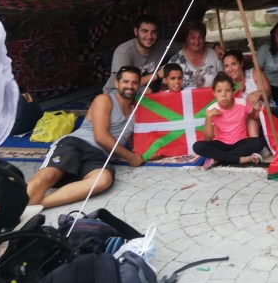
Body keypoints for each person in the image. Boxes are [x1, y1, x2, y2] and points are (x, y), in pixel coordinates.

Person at [27, 66, 145, 209]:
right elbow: (101, 137)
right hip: (76, 144)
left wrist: (149, 153)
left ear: (138, 86)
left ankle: (35, 206)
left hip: (99, 157)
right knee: (48, 175)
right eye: (126, 82)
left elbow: (137, 141)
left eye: (134, 83)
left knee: (103, 180)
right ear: (117, 84)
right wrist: (130, 157)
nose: (130, 86)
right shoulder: (105, 99)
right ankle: (14, 208)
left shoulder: (136, 110)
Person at [192, 72, 265, 169]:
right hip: (221, 144)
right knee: (197, 146)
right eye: (219, 91)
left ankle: (219, 158)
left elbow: (256, 115)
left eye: (228, 90)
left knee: (259, 142)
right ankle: (241, 159)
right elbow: (208, 138)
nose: (223, 94)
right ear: (214, 93)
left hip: (240, 143)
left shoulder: (242, 103)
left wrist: (265, 108)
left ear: (233, 92)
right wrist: (209, 117)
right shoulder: (211, 110)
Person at [103, 15, 172, 94]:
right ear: (136, 32)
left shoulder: (162, 46)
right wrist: (157, 75)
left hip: (142, 88)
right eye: (144, 31)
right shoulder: (124, 52)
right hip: (117, 91)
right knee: (148, 91)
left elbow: (183, 46)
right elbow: (124, 83)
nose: (149, 36)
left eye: (153, 32)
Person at [223, 49, 273, 138]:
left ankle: (254, 142)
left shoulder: (254, 73)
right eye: (226, 66)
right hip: (243, 121)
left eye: (234, 64)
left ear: (241, 64)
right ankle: (254, 141)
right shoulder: (226, 86)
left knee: (253, 103)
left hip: (267, 114)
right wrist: (236, 92)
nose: (230, 69)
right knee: (249, 107)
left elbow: (268, 95)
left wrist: (259, 93)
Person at [168, 22, 222, 89]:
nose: (197, 42)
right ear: (187, 38)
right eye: (193, 37)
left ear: (204, 38)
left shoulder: (215, 55)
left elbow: (226, 80)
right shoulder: (176, 60)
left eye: (200, 37)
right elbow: (166, 87)